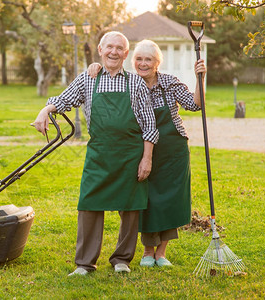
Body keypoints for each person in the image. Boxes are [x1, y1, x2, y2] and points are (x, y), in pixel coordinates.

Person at [33, 32, 159, 276]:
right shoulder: (88, 79)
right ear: (100, 49)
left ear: (126, 53)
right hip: (99, 154)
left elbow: (149, 126)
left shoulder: (136, 83)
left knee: (131, 208)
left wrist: (147, 159)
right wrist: (45, 110)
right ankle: (85, 263)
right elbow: (64, 99)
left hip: (130, 155)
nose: (113, 51)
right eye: (109, 46)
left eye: (119, 48)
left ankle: (122, 259)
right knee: (89, 205)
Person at [87, 39, 206, 267]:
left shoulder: (170, 83)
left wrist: (201, 77)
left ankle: (161, 253)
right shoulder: (129, 82)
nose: (143, 64)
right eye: (139, 59)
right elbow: (107, 75)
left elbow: (195, 105)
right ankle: (147, 251)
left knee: (170, 199)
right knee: (146, 199)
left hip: (172, 150)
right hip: (140, 150)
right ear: (133, 61)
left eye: (148, 59)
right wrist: (96, 67)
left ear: (157, 62)